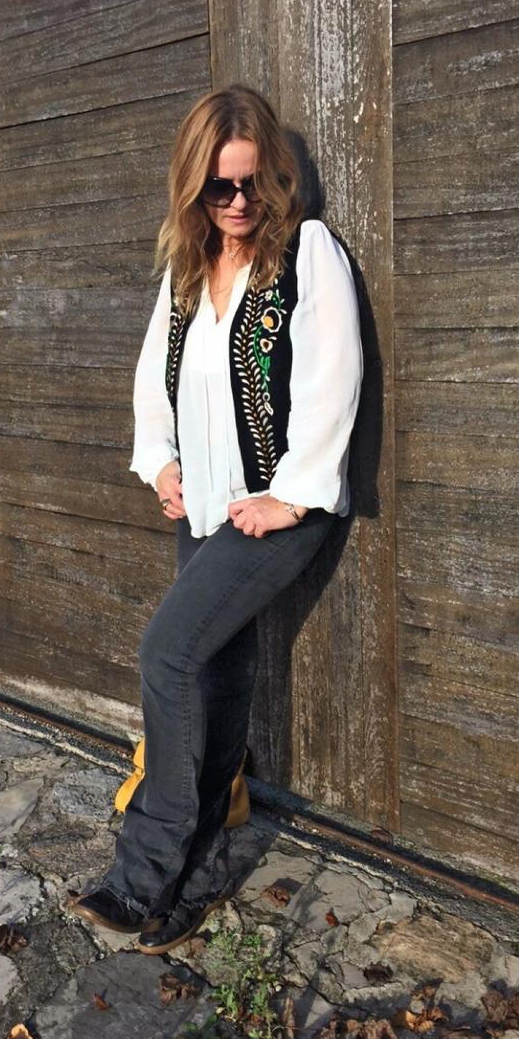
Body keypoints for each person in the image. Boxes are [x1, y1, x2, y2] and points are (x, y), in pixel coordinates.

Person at [73, 83, 363, 954]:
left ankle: (142, 875)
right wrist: (160, 463)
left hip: (279, 512)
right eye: (218, 188)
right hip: (203, 504)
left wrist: (293, 493)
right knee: (218, 676)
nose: (238, 203)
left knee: (168, 655)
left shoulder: (307, 253)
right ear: (192, 187)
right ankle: (198, 877)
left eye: (251, 184)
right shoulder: (187, 274)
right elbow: (153, 383)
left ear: (273, 177)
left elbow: (334, 378)